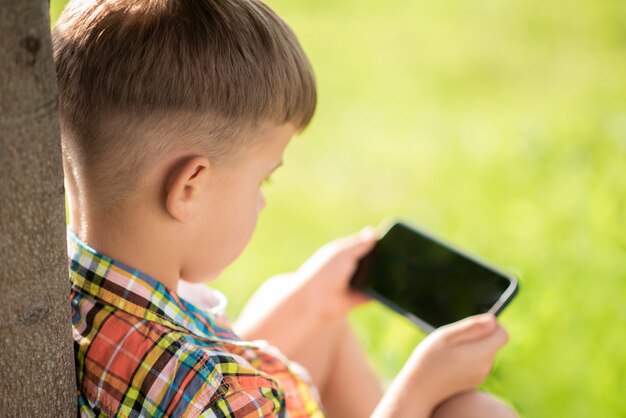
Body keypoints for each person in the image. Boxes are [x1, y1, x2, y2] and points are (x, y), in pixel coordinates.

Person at [53, 0, 517, 416]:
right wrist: (416, 390)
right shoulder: (218, 394)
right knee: (477, 412)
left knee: (305, 309)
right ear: (189, 188)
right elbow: (208, 389)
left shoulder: (65, 289)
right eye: (262, 179)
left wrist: (307, 302)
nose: (264, 199)